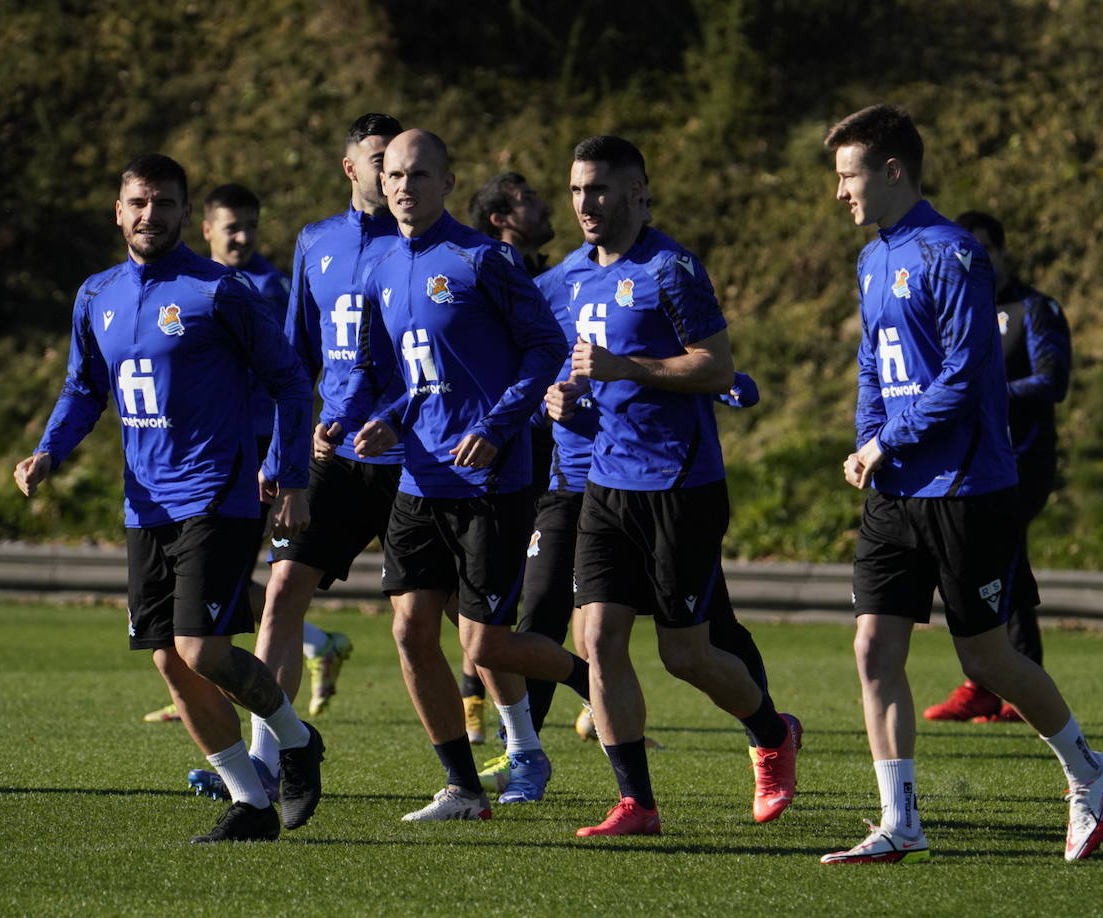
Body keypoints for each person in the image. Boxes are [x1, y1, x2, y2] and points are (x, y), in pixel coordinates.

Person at [822, 105, 1103, 864]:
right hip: (897, 492)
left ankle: (1087, 769)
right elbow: (872, 365)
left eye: (849, 176)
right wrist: (866, 441)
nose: (839, 193)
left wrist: (890, 439)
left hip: (966, 488)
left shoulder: (953, 254)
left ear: (893, 171)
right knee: (872, 650)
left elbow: (966, 373)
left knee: (986, 659)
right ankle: (901, 821)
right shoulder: (871, 259)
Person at [14, 154, 324, 843]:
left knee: (201, 650)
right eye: (137, 203)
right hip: (145, 503)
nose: (149, 215)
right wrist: (50, 451)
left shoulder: (223, 291)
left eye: (163, 203)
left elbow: (292, 382)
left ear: (186, 214)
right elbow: (83, 387)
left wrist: (290, 473)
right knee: (167, 659)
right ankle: (250, 804)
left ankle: (298, 742)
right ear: (118, 211)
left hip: (216, 493)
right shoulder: (97, 295)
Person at [542, 135, 801, 839]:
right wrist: (554, 397)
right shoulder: (565, 278)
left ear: (636, 192)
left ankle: (773, 732)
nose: (585, 204)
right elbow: (552, 364)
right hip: (604, 481)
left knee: (683, 653)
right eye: (575, 190)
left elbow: (717, 369)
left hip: (679, 483)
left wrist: (630, 368)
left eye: (598, 189)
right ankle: (637, 804)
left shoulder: (672, 268)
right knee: (597, 638)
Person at [339, 129, 591, 818]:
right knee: (410, 630)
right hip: (419, 480)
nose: (403, 187)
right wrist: (384, 419)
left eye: (418, 175)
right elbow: (401, 379)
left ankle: (588, 680)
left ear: (448, 183)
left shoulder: (484, 260)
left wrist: (495, 425)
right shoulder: (379, 268)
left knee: (482, 642)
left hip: (490, 483)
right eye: (392, 174)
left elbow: (547, 348)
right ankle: (462, 787)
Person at [183, 115, 408, 805]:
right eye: (379, 160)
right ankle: (269, 760)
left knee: (453, 622)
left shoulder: (431, 249)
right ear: (351, 168)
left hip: (419, 456)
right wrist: (289, 454)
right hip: (335, 456)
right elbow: (295, 360)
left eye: (400, 162)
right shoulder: (318, 243)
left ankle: (520, 742)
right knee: (280, 592)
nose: (391, 173)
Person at [142, 181, 352, 728]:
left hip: (259, 445)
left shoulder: (267, 287)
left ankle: (246, 674)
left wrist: (287, 456)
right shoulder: (183, 285)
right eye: (231, 227)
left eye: (250, 227)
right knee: (217, 569)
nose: (241, 237)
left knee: (230, 568)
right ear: (204, 228)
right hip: (199, 448)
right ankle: (279, 650)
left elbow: (290, 370)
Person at [923, 210, 1073, 724]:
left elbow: (1052, 381)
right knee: (979, 562)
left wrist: (986, 395)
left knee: (998, 559)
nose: (973, 257)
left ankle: (1007, 683)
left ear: (1004, 251)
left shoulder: (1032, 309)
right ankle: (987, 682)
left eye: (984, 246)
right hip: (968, 463)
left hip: (1022, 460)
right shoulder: (954, 310)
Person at [456, 172, 558, 745]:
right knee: (481, 586)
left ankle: (596, 698)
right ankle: (477, 702)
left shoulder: (552, 273)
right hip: (489, 447)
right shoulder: (482, 271)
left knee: (530, 586)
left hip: (556, 450)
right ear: (500, 217)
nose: (546, 205)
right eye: (529, 199)